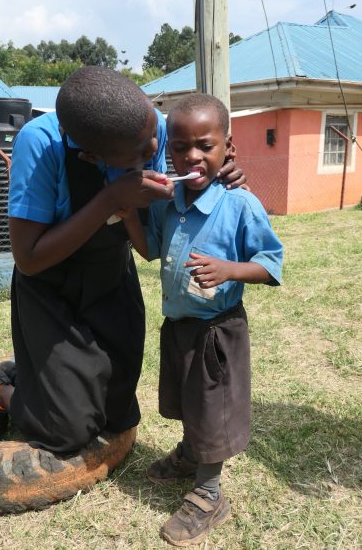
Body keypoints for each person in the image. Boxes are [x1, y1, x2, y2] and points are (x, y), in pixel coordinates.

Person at [0, 67, 246, 455]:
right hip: (52, 285)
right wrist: (110, 198)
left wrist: (223, 171)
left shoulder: (149, 127)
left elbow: (201, 155)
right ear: (92, 156)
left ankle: (43, 375)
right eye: (138, 153)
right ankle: (2, 390)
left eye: (154, 131)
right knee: (67, 431)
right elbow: (28, 258)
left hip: (111, 273)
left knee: (117, 414)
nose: (154, 148)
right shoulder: (39, 145)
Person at [122, 93, 283, 547]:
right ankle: (192, 454)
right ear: (167, 150)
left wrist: (230, 269)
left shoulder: (239, 204)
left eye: (205, 146)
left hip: (217, 331)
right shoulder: (166, 200)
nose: (192, 156)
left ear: (228, 148)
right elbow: (151, 249)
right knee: (189, 401)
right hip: (179, 326)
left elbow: (272, 264)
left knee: (213, 410)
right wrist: (128, 213)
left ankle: (210, 494)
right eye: (180, 147)